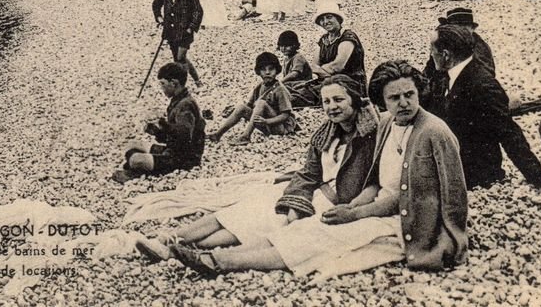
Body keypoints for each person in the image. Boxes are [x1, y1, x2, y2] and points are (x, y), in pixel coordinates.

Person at [170, 61, 468, 277]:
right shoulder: (389, 124)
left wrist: (353, 212)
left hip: (405, 220)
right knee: (301, 228)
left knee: (312, 236)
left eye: (409, 95)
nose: (403, 103)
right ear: (383, 101)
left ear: (419, 93)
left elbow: (450, 193)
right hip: (376, 206)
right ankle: (205, 255)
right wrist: (353, 206)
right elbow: (376, 182)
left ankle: (219, 264)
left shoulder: (433, 131)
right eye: (394, 97)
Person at [136, 74, 378, 261]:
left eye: (338, 100)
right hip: (308, 193)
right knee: (240, 212)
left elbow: (373, 182)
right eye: (326, 101)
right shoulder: (326, 133)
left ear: (355, 101)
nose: (331, 106)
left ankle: (178, 248)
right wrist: (297, 199)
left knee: (251, 226)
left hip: (329, 201)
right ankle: (167, 239)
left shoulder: (370, 137)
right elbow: (308, 173)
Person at [428, 25, 541, 191]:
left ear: (445, 55)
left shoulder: (482, 85)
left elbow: (509, 133)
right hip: (454, 160)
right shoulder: (453, 73)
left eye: (432, 50)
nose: (430, 54)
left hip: (474, 174)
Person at [112, 62, 205, 183]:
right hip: (173, 150)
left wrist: (164, 126)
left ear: (174, 83)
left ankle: (138, 172)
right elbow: (172, 138)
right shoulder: (179, 100)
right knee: (132, 144)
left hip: (185, 159)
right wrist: (157, 131)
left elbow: (185, 136)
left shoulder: (185, 105)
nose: (161, 88)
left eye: (163, 84)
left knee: (135, 159)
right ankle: (143, 166)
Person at [208, 52, 297, 145]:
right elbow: (249, 106)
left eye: (271, 69)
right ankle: (217, 134)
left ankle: (246, 136)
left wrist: (267, 121)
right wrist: (235, 112)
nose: (267, 72)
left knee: (261, 103)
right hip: (265, 124)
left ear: (277, 70)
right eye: (263, 69)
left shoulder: (280, 89)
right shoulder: (260, 86)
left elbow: (285, 115)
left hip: (280, 127)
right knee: (241, 107)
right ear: (258, 72)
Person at [289, 4, 366, 107]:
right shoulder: (324, 39)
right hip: (328, 80)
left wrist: (323, 70)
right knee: (294, 87)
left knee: (303, 96)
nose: (325, 22)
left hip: (350, 82)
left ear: (338, 19)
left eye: (329, 17)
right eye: (322, 19)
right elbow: (314, 65)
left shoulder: (348, 37)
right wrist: (326, 71)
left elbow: (338, 66)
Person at [421, 7, 494, 113]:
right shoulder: (442, 43)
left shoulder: (480, 48)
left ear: (471, 29)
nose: (459, 32)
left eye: (464, 28)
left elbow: (486, 76)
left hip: (467, 94)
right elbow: (429, 71)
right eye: (455, 28)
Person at [152, 0, 204, 86]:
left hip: (185, 31)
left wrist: (192, 27)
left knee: (180, 57)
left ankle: (182, 84)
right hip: (170, 31)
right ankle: (197, 80)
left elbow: (198, 10)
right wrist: (159, 18)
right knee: (179, 59)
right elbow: (156, 5)